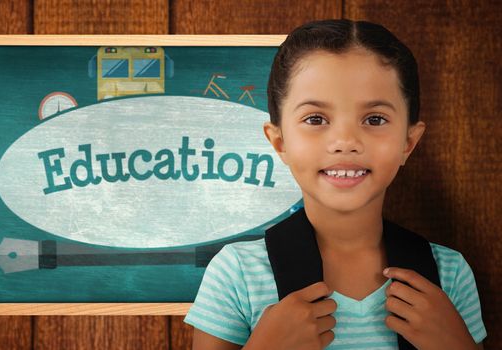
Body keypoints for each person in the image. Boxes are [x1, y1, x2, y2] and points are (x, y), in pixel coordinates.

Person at [184, 19, 487, 350]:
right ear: (280, 141)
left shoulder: (449, 275)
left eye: (375, 119)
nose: (345, 141)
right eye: (316, 119)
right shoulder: (237, 274)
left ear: (408, 143)